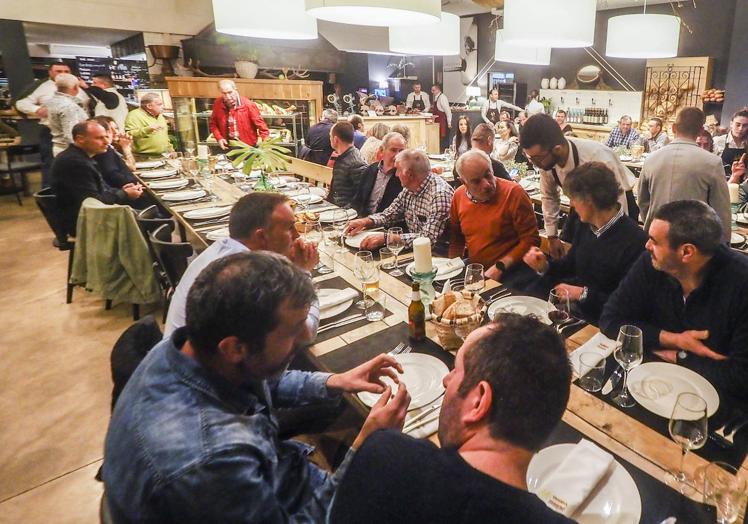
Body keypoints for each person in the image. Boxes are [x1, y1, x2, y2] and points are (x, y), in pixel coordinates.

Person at [104, 251, 411, 523]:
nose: (305, 337)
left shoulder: (189, 348)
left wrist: (335, 380)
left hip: (277, 478)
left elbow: (261, 378)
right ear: (234, 348)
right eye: (292, 331)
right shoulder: (209, 461)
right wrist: (365, 449)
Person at [329, 314, 575, 524]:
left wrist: (369, 439)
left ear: (478, 402)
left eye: (456, 369)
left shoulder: (386, 457)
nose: (447, 380)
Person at [600, 200, 748, 401]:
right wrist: (675, 340)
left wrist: (679, 357)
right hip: (649, 384)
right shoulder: (651, 263)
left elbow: (740, 376)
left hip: (712, 403)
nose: (647, 245)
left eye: (654, 241)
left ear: (687, 252)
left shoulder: (741, 284)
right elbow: (610, 320)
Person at [164, 192, 319, 337]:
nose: (297, 235)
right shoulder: (245, 277)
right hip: (201, 365)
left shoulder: (224, 249)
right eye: (289, 227)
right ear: (262, 236)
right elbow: (305, 332)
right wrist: (302, 271)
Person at [523, 162, 647, 323]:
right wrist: (544, 266)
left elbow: (631, 305)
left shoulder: (636, 241)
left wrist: (583, 294)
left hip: (604, 323)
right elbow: (570, 265)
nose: (572, 205)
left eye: (573, 199)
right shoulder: (585, 225)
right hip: (577, 311)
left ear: (589, 200)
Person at [520, 113, 637, 259]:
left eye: (537, 158)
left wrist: (613, 246)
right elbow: (549, 196)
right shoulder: (546, 160)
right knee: (570, 258)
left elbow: (618, 207)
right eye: (529, 158)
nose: (534, 163)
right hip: (581, 208)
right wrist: (552, 236)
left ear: (557, 149)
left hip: (616, 206)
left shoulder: (598, 157)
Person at [638, 107, 731, 243]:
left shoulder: (651, 159)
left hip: (656, 236)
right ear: (700, 131)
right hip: (692, 240)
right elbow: (721, 210)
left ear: (674, 128)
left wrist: (654, 222)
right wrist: (724, 244)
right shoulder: (712, 162)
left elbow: (643, 201)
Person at [449, 150, 539, 286]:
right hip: (477, 269)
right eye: (476, 181)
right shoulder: (458, 196)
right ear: (463, 182)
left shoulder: (514, 193)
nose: (486, 184)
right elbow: (457, 240)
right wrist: (452, 270)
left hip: (513, 271)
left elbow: (531, 240)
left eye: (488, 175)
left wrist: (500, 266)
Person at [346, 149, 454, 250]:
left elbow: (428, 240)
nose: (396, 175)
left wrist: (388, 238)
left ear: (409, 174)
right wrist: (365, 222)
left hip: (439, 257)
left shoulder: (439, 195)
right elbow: (389, 215)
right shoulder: (409, 189)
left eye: (398, 170)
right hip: (414, 252)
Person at [51, 121, 143, 236]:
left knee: (150, 213)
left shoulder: (82, 157)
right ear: (80, 139)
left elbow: (99, 190)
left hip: (87, 215)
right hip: (84, 223)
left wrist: (122, 190)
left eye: (106, 137)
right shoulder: (76, 163)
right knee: (154, 219)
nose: (106, 142)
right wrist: (124, 194)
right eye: (99, 138)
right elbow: (93, 202)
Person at [16, 61, 89, 187]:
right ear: (50, 72)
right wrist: (36, 110)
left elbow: (86, 104)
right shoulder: (44, 87)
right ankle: (50, 195)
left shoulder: (75, 88)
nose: (63, 74)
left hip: (75, 134)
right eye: (58, 71)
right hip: (57, 133)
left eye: (66, 71)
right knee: (51, 166)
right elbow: (21, 103)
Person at [351, 132, 406, 217]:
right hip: (363, 222)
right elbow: (357, 200)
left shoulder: (403, 177)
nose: (397, 155)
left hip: (387, 226)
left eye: (401, 151)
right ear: (381, 150)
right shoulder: (370, 170)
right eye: (393, 150)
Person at [209, 79, 269, 150]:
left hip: (248, 147)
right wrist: (219, 138)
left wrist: (266, 146)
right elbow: (213, 124)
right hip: (228, 146)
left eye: (230, 92)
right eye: (224, 93)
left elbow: (263, 128)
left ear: (235, 90)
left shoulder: (248, 105)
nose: (228, 97)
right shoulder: (217, 104)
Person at [46, 73, 89, 156]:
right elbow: (71, 135)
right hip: (70, 151)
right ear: (75, 87)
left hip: (59, 148)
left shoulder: (52, 101)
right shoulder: (68, 106)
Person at [92, 116, 138, 190]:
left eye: (116, 128)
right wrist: (126, 148)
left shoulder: (113, 147)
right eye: (110, 130)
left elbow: (132, 166)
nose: (116, 132)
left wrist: (126, 147)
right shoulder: (104, 151)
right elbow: (131, 168)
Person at [328, 121, 367, 208]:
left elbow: (362, 197)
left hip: (345, 214)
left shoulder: (356, 162)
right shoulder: (343, 156)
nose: (329, 139)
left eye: (330, 137)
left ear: (335, 139)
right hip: (335, 208)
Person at [713, 108, 748, 174]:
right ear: (731, 124)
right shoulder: (718, 141)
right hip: (720, 181)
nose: (740, 129)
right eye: (738, 125)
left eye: (745, 125)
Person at [431, 83, 452, 150]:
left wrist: (449, 123)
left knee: (444, 140)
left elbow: (448, 111)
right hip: (438, 122)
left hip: (443, 122)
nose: (432, 92)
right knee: (439, 139)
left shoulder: (442, 97)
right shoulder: (437, 97)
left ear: (438, 90)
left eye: (433, 90)